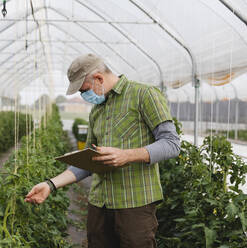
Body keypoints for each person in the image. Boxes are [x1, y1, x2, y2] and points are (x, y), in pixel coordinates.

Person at [25, 54, 180, 248]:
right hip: (99, 205)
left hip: (134, 204)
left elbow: (171, 143)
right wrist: (50, 185)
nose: (84, 97)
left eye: (85, 90)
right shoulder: (97, 111)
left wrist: (127, 155)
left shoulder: (143, 95)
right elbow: (88, 162)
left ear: (99, 78)